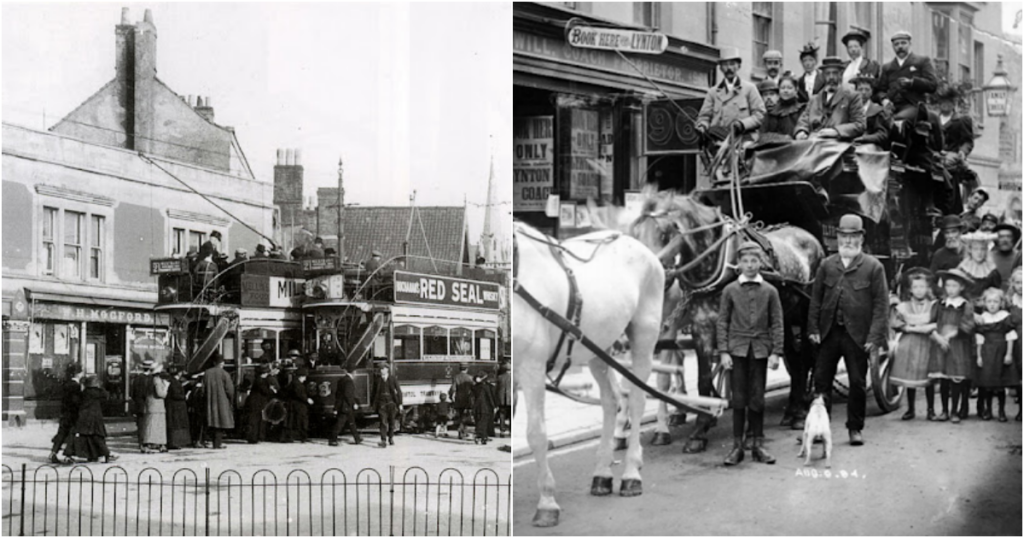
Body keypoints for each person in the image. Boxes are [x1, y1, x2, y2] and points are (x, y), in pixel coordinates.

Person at [808, 214, 889, 446]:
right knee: (821, 383)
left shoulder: (873, 267)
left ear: (861, 239)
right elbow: (816, 300)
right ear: (837, 238)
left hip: (858, 336)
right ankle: (820, 429)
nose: (848, 241)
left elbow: (881, 306)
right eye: (844, 236)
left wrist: (874, 337)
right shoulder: (827, 265)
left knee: (857, 382)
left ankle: (855, 428)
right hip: (829, 333)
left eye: (853, 237)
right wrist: (813, 328)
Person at [717, 241, 783, 466]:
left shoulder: (770, 292)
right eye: (745, 261)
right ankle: (737, 447)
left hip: (760, 351)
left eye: (754, 261)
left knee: (757, 398)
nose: (750, 265)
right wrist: (724, 351)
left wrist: (776, 352)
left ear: (761, 263)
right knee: (738, 399)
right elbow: (722, 322)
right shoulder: (730, 291)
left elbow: (777, 323)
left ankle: (758, 445)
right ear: (739, 264)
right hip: (737, 351)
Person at [890, 268, 939, 420]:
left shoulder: (933, 306)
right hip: (910, 343)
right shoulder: (903, 306)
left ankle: (930, 410)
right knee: (910, 377)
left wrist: (928, 327)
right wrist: (907, 328)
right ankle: (911, 409)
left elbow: (939, 321)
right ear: (910, 290)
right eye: (916, 287)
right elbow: (896, 322)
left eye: (922, 287)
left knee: (928, 376)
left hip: (927, 343)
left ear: (928, 288)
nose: (919, 290)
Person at [930, 268, 977, 423]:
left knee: (956, 377)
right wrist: (938, 337)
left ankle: (954, 411)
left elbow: (967, 325)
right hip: (941, 343)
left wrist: (950, 336)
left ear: (961, 287)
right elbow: (932, 322)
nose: (950, 289)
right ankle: (943, 410)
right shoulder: (940, 304)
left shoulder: (965, 305)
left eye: (954, 286)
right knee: (944, 378)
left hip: (958, 343)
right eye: (948, 285)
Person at [695, 46, 766, 145]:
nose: (729, 68)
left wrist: (742, 124)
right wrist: (702, 126)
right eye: (725, 65)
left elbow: (760, 115)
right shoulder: (713, 93)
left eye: (732, 64)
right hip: (718, 139)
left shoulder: (749, 89)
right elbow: (704, 117)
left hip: (744, 138)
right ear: (720, 68)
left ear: (739, 66)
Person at [794, 56, 865, 142]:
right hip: (813, 143)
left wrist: (835, 131)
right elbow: (804, 120)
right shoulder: (815, 99)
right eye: (827, 73)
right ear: (823, 75)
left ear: (841, 74)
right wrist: (801, 131)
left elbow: (859, 125)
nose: (831, 77)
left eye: (835, 73)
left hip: (839, 144)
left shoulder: (852, 96)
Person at [874, 30, 938, 124]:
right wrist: (884, 100)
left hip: (914, 106)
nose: (900, 46)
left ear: (910, 44)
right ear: (893, 47)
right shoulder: (887, 67)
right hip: (893, 106)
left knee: (896, 121)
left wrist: (913, 83)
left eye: (903, 43)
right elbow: (880, 90)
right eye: (896, 44)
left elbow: (933, 84)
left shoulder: (922, 61)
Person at [974, 288, 1018, 422]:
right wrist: (979, 356)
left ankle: (1001, 411)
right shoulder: (983, 318)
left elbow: (1010, 337)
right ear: (984, 303)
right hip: (987, 353)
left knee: (1000, 384)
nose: (992, 304)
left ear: (1001, 303)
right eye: (989, 301)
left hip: (1001, 352)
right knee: (987, 383)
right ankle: (988, 410)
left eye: (995, 301)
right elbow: (979, 340)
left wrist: (1009, 354)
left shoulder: (1005, 317)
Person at [936, 86, 977, 214]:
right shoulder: (933, 119)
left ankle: (951, 209)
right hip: (935, 156)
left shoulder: (961, 120)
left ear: (954, 103)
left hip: (952, 159)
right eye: (943, 101)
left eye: (949, 102)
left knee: (950, 186)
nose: (946, 105)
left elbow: (967, 141)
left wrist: (962, 152)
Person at [66, 376, 117, 464]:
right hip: (94, 419)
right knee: (97, 437)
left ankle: (88, 455)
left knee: (84, 437)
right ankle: (106, 454)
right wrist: (101, 388)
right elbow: (107, 396)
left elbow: (76, 401)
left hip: (83, 418)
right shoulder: (97, 392)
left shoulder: (84, 392)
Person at [48, 362, 84, 464]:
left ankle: (53, 453)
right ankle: (68, 455)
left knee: (62, 433)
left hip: (65, 413)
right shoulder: (75, 386)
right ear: (78, 373)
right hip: (72, 414)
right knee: (72, 434)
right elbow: (75, 401)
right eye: (81, 372)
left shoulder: (66, 384)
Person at [957, 231, 1001, 312]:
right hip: (965, 309)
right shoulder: (962, 269)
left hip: (987, 309)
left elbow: (996, 291)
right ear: (970, 250)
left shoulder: (992, 271)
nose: (979, 252)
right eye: (975, 249)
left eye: (982, 249)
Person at [204, 354, 236, 449]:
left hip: (210, 401)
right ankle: (218, 443)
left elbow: (203, 388)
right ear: (222, 363)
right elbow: (230, 390)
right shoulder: (225, 374)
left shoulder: (207, 373)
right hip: (222, 401)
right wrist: (231, 399)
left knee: (212, 420)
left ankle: (214, 442)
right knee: (221, 421)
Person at [851, 75, 891, 149]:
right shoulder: (850, 109)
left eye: (867, 89)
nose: (863, 92)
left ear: (871, 92)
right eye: (860, 89)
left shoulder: (877, 111)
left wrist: (864, 139)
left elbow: (882, 135)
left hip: (871, 146)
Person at [140, 362, 170, 453]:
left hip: (150, 405)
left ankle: (148, 445)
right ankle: (158, 444)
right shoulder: (157, 380)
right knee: (157, 426)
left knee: (150, 426)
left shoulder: (147, 379)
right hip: (158, 406)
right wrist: (166, 387)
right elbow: (160, 394)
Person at [1005, 268, 1023, 422]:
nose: (1021, 286)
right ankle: (1021, 409)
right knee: (1018, 375)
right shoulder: (1010, 302)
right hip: (1016, 342)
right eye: (1018, 283)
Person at [371, 364, 402, 448]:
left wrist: (400, 404)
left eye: (383, 369)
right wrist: (373, 404)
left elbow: (399, 391)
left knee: (392, 422)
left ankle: (391, 438)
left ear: (387, 369)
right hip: (381, 404)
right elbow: (374, 392)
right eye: (380, 369)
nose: (381, 370)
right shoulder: (378, 380)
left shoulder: (392, 379)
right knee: (383, 422)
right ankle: (383, 440)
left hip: (391, 403)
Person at [329, 368, 362, 446]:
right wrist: (354, 403)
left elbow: (338, 394)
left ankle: (357, 438)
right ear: (354, 372)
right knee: (340, 423)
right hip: (346, 405)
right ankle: (333, 439)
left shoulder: (342, 380)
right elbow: (348, 395)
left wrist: (336, 406)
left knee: (351, 422)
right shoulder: (349, 381)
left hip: (342, 405)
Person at [245, 364, 276, 444]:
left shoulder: (259, 379)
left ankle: (255, 437)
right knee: (255, 420)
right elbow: (265, 391)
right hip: (256, 403)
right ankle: (254, 438)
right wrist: (272, 390)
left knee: (255, 420)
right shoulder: (260, 381)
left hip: (256, 403)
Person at [165, 364, 191, 450]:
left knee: (175, 424)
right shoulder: (175, 382)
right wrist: (185, 396)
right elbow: (176, 394)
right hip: (176, 407)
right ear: (179, 373)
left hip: (174, 407)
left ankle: (175, 442)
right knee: (176, 424)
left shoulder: (172, 381)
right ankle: (174, 443)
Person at [284, 367, 312, 443]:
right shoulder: (298, 384)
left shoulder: (293, 382)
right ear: (301, 376)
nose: (305, 379)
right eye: (304, 377)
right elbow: (300, 394)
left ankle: (291, 436)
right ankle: (302, 437)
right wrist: (307, 400)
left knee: (292, 420)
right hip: (299, 405)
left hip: (293, 404)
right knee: (302, 420)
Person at [131, 359, 155, 451]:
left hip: (139, 405)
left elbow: (133, 393)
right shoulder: (151, 379)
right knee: (147, 424)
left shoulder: (137, 379)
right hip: (148, 404)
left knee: (140, 424)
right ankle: (147, 443)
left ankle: (141, 443)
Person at [449, 363, 476, 440]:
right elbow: (473, 388)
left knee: (461, 416)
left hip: (459, 399)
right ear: (467, 369)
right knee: (465, 416)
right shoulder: (470, 378)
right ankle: (462, 431)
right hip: (467, 399)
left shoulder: (456, 377)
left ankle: (462, 432)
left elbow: (453, 389)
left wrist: (451, 397)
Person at [473, 374, 496, 445]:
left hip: (476, 408)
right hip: (485, 407)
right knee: (484, 422)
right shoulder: (486, 387)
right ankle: (482, 437)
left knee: (478, 421)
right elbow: (490, 398)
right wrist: (494, 406)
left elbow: (471, 398)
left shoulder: (474, 387)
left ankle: (480, 436)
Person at [496, 361, 512, 437]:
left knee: (502, 415)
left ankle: (502, 431)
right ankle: (511, 431)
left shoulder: (499, 377)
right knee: (511, 415)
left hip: (501, 400)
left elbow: (497, 389)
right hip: (510, 399)